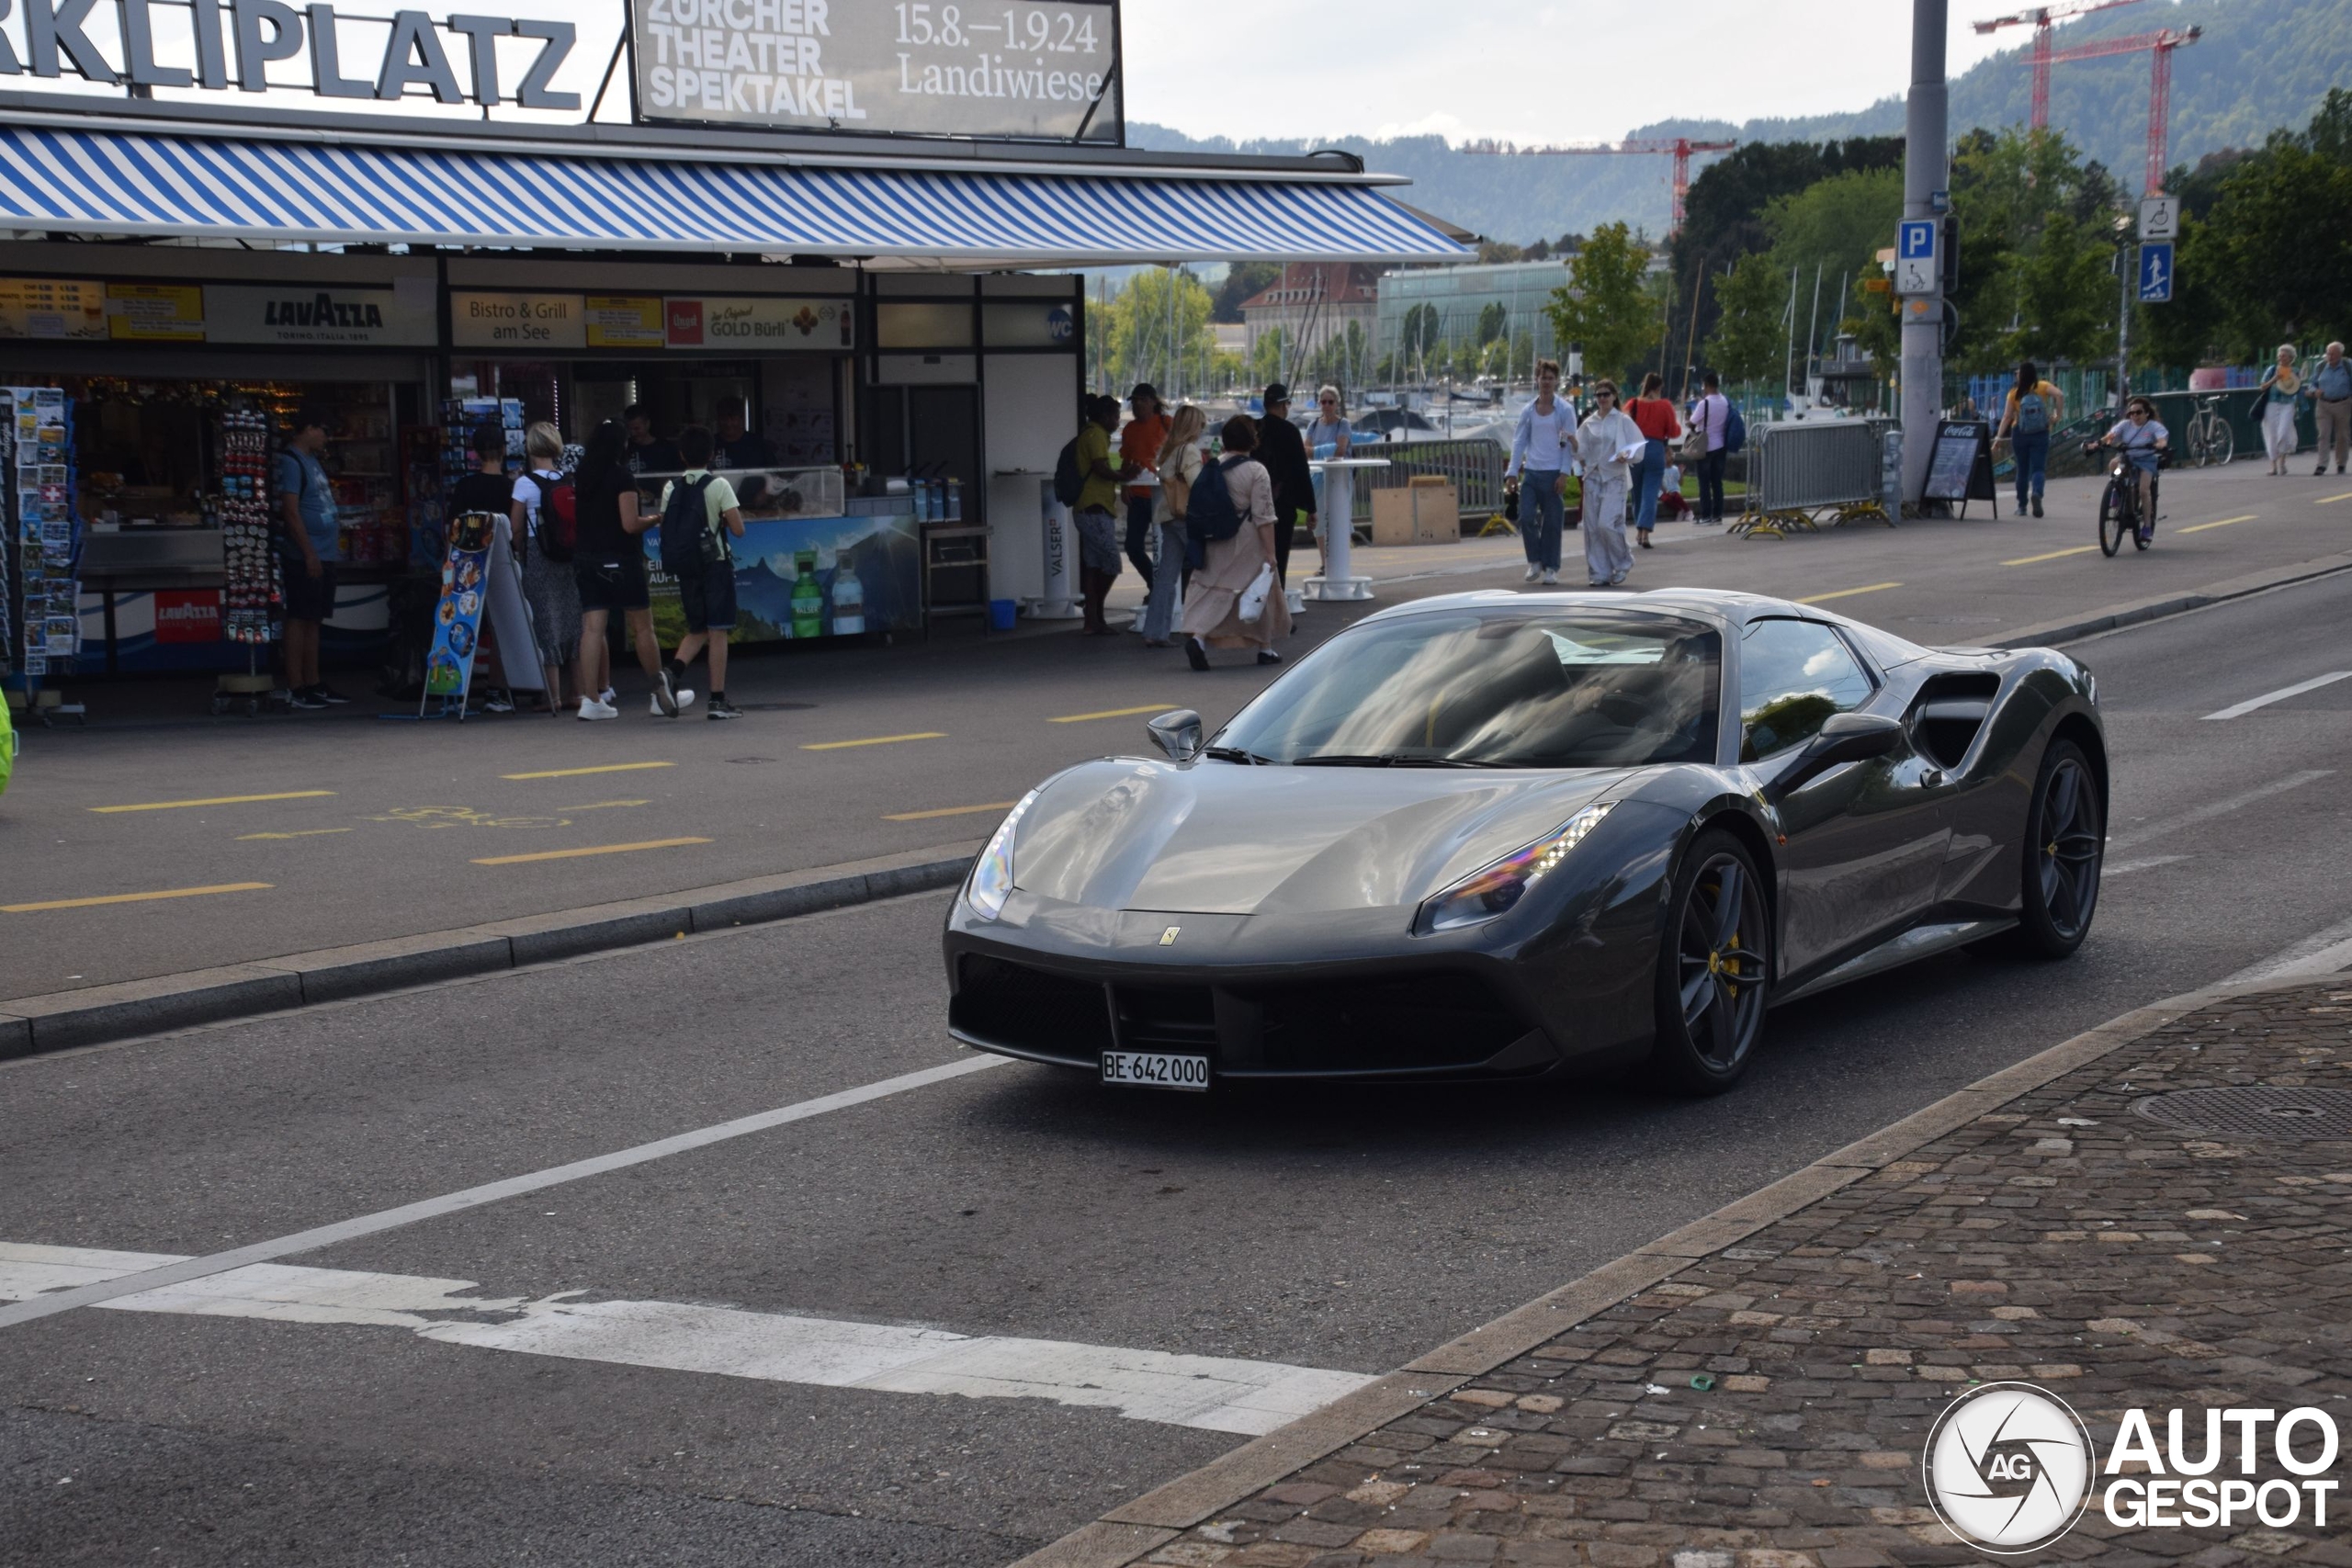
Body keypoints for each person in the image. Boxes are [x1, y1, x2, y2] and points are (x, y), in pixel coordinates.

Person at [572, 420, 686, 721]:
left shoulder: (582, 474)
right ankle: (658, 694)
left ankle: (591, 700)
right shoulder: (621, 476)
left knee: (592, 630)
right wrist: (657, 518)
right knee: (643, 628)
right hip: (621, 559)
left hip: (587, 559)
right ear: (621, 446)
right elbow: (630, 523)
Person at [1181, 416, 1292, 669]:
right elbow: (1264, 516)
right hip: (1247, 540)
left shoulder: (1215, 465)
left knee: (1213, 589)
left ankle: (1198, 637)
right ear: (1252, 439)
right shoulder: (1256, 470)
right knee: (1259, 592)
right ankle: (1266, 647)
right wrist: (1271, 553)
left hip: (1217, 537)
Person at [655, 425, 746, 720]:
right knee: (718, 631)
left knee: (697, 629)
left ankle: (671, 673)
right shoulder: (719, 486)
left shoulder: (671, 487)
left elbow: (665, 526)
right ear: (712, 454)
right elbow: (738, 529)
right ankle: (717, 701)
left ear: (681, 455)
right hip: (715, 565)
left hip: (686, 567)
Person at [510, 423, 582, 716]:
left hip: (540, 558)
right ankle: (577, 692)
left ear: (530, 448)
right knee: (573, 623)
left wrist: (519, 552)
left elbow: (515, 526)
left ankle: (551, 696)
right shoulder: (568, 480)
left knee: (545, 623)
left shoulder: (524, 484)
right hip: (570, 558)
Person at [447, 425, 520, 713]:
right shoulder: (511, 487)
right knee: (503, 629)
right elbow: (517, 530)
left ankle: (457, 688)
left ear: (475, 452)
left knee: (461, 625)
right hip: (503, 564)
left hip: (467, 566)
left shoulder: (465, 486)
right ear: (503, 450)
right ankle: (495, 690)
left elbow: (452, 529)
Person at [275, 409, 344, 708]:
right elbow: (290, 511)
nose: (327, 437)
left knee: (314, 618)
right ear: (309, 428)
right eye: (324, 430)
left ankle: (313, 680)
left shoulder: (312, 460)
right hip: (306, 554)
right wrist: (308, 553)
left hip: (324, 551)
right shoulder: (291, 462)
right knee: (300, 617)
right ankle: (296, 684)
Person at [1505, 359, 1577, 584]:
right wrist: (1512, 472)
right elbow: (1519, 441)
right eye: (1543, 377)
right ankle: (1534, 561)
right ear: (1537, 379)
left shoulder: (1564, 409)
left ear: (1556, 381)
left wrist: (1564, 473)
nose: (1546, 382)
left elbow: (1567, 444)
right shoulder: (1528, 410)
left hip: (1554, 471)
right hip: (1533, 472)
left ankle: (1551, 567)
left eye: (1550, 378)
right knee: (1526, 517)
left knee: (1553, 522)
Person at [1141, 404, 1206, 648]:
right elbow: (1197, 485)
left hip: (1169, 516)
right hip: (1186, 518)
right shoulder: (1189, 451)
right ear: (1192, 426)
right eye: (1200, 425)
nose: (1202, 430)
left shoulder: (1170, 451)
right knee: (1210, 567)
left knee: (1166, 578)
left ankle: (1155, 631)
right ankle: (1207, 627)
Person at [1572, 379, 1643, 588]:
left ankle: (1623, 561)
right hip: (1593, 477)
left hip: (1614, 477)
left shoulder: (1622, 420)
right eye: (1598, 395)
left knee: (1607, 523)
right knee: (1592, 528)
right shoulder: (1589, 423)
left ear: (1614, 396)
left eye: (1606, 394)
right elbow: (1580, 451)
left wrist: (1626, 455)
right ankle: (1599, 571)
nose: (1602, 398)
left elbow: (1638, 448)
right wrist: (1572, 442)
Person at [1072, 395, 1125, 636]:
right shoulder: (1094, 435)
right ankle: (1094, 610)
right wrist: (1124, 475)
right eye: (1115, 416)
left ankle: (1093, 619)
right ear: (1104, 417)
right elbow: (1101, 468)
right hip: (1093, 508)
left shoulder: (1092, 433)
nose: (1118, 421)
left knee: (1093, 565)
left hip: (1093, 508)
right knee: (1112, 563)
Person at [1255, 382, 1317, 584]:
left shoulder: (1255, 429)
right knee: (1279, 557)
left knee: (1257, 559)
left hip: (1255, 503)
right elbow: (1301, 470)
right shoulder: (1290, 431)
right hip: (1283, 502)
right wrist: (1311, 508)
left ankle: (1257, 602)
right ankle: (1277, 601)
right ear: (1283, 406)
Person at [1994, 361, 2064, 518]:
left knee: (2022, 470)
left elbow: (2006, 417)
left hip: (2020, 432)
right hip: (2041, 431)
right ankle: (2037, 493)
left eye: (2018, 372)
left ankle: (2022, 506)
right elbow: (2060, 395)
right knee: (2038, 468)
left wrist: (1998, 437)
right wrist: (2057, 416)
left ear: (2022, 375)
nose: (2016, 375)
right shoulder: (2043, 386)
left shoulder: (2014, 393)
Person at [1117, 383, 1169, 593]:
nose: (1137, 404)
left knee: (1166, 546)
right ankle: (1154, 584)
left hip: (1162, 495)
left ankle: (1168, 589)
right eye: (1134, 400)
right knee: (1132, 546)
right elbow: (1126, 460)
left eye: (1142, 400)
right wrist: (1125, 483)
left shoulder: (1166, 424)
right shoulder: (1129, 429)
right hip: (1138, 495)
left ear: (1153, 402)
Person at [1623, 372, 1683, 550]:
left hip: (1635, 450)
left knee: (1637, 493)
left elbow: (1624, 426)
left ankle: (1639, 529)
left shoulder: (1632, 404)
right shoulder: (1665, 406)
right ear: (1658, 388)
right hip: (1655, 449)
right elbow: (1674, 432)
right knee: (1651, 492)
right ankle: (1645, 532)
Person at [2099, 395, 2168, 536]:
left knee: (2144, 490)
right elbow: (2111, 436)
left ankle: (2147, 526)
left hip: (2146, 461)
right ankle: (2116, 489)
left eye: (2139, 412)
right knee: (2115, 466)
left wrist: (2160, 444)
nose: (2135, 416)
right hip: (2127, 458)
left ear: (2147, 413)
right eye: (2132, 413)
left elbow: (2162, 439)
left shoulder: (2153, 426)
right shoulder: (2125, 425)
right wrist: (2099, 443)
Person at [1307, 385, 1353, 568]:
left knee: (1341, 516)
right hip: (1318, 477)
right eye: (1323, 402)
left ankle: (1340, 561)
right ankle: (1324, 562)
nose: (1326, 405)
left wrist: (1316, 451)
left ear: (1336, 404)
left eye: (1330, 402)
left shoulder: (1344, 424)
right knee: (1319, 518)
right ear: (1319, 403)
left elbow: (1341, 450)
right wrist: (1328, 450)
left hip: (1339, 477)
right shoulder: (1313, 425)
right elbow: (1305, 450)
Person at [1687, 372, 1732, 525]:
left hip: (1705, 446)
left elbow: (1692, 423)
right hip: (1721, 445)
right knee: (1717, 482)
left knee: (1704, 483)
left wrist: (1688, 421)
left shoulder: (1704, 403)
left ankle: (1706, 515)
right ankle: (1718, 514)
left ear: (1706, 385)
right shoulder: (1725, 401)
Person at [2257, 344, 2303, 477]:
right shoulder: (2272, 369)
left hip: (2288, 404)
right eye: (2279, 355)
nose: (2281, 358)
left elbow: (2297, 388)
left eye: (2283, 355)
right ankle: (2274, 465)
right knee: (2271, 434)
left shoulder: (2295, 370)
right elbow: (2262, 386)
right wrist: (2274, 379)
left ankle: (2282, 461)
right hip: (2272, 403)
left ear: (2290, 357)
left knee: (2283, 432)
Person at [2315, 342, 2352, 477]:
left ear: (2340, 355)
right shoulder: (2321, 366)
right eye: (2328, 353)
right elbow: (2313, 384)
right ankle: (2321, 464)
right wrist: (2315, 391)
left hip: (2343, 403)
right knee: (2323, 434)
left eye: (2333, 354)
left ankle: (2341, 462)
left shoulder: (2348, 366)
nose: (2330, 356)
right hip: (2323, 404)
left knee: (2342, 435)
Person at [714, 397, 774, 469]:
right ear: (718, 419)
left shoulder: (758, 445)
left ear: (741, 419)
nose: (728, 424)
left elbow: (774, 474)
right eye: (724, 419)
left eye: (733, 419)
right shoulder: (710, 444)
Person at [623, 403, 680, 475]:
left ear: (647, 424)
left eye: (637, 429)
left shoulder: (667, 449)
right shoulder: (624, 450)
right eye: (629, 429)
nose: (632, 433)